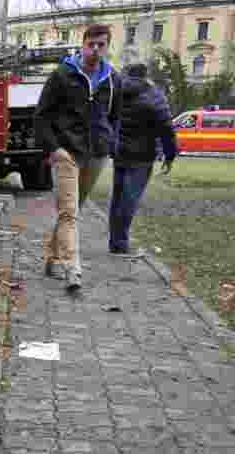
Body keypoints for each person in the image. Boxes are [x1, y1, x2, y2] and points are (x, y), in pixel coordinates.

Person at [34, 24, 123, 292]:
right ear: (82, 45)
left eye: (101, 45)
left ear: (107, 47)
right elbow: (41, 116)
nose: (95, 49)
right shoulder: (62, 75)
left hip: (96, 154)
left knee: (72, 211)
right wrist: (54, 149)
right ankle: (73, 268)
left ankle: (53, 259)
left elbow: (115, 117)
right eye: (90, 44)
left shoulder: (113, 79)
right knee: (69, 213)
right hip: (66, 153)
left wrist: (110, 143)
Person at [109, 62, 177, 256]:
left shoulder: (117, 91)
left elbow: (108, 117)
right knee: (130, 199)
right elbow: (166, 128)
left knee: (118, 198)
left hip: (120, 152)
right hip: (142, 155)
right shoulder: (154, 95)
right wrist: (170, 155)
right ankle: (120, 243)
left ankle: (115, 241)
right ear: (146, 75)